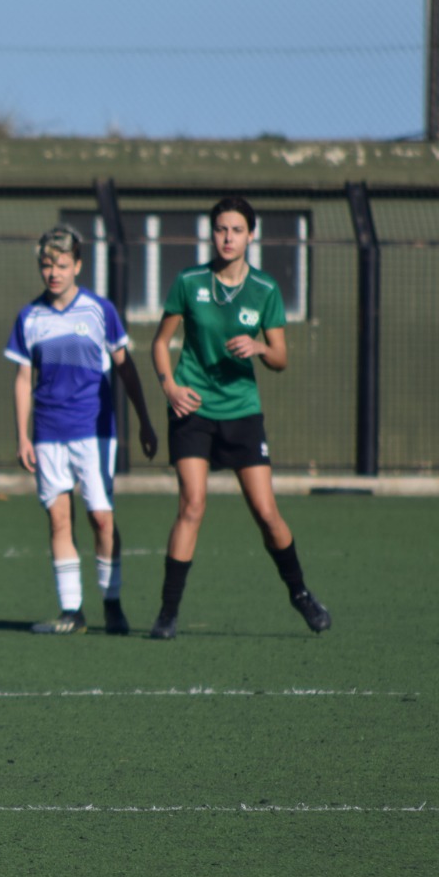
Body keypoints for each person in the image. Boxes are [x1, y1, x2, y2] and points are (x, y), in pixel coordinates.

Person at [149, 196, 332, 639]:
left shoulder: (265, 289)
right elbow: (160, 343)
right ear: (211, 234)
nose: (227, 238)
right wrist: (170, 387)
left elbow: (282, 358)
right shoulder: (189, 281)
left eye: (236, 230)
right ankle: (168, 613)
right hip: (192, 408)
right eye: (220, 230)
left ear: (251, 235)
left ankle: (300, 593)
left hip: (242, 412)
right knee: (192, 504)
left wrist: (261, 349)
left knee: (266, 513)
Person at [7, 225, 158, 635]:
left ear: (77, 265)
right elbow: (23, 379)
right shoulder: (30, 316)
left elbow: (125, 368)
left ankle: (112, 602)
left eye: (61, 264)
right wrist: (22, 434)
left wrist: (144, 419)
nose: (53, 272)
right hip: (48, 433)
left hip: (94, 432)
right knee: (59, 521)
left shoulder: (99, 310)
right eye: (46, 264)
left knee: (101, 518)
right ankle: (72, 611)